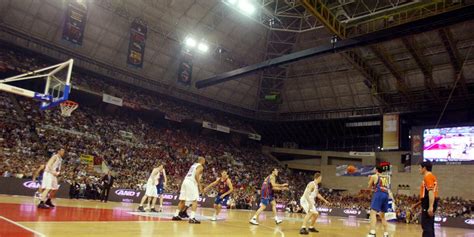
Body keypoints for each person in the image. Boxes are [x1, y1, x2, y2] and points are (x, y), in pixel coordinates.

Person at [172, 156, 206, 224]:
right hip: (191, 182)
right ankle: (192, 218)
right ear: (202, 161)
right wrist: (199, 185)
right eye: (204, 160)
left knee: (182, 200)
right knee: (194, 200)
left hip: (185, 181)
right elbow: (196, 175)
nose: (205, 162)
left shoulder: (193, 165)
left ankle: (175, 215)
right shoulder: (200, 166)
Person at [411, 161, 439, 237]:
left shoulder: (428, 176)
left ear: (424, 168)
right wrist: (417, 204)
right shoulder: (430, 176)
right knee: (429, 225)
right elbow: (426, 195)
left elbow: (431, 192)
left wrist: (430, 206)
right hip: (427, 202)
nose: (419, 169)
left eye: (420, 167)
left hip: (428, 203)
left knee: (426, 226)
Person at [367, 166, 395, 237]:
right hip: (386, 195)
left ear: (376, 170)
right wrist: (392, 198)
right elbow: (387, 189)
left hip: (379, 194)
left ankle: (372, 232)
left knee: (372, 213)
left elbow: (369, 187)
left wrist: (370, 179)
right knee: (382, 216)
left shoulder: (374, 176)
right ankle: (386, 233)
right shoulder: (386, 177)